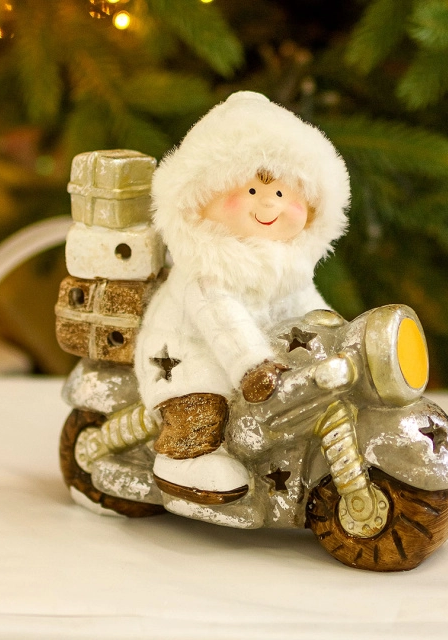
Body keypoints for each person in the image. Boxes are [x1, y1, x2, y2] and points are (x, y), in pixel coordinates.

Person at [134, 91, 350, 504]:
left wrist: (338, 338)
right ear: (201, 200)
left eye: (283, 194)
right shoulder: (207, 268)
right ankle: (185, 457)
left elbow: (308, 308)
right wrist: (252, 366)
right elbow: (224, 321)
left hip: (266, 366)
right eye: (252, 190)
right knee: (202, 397)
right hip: (187, 352)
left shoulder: (287, 264)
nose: (268, 203)